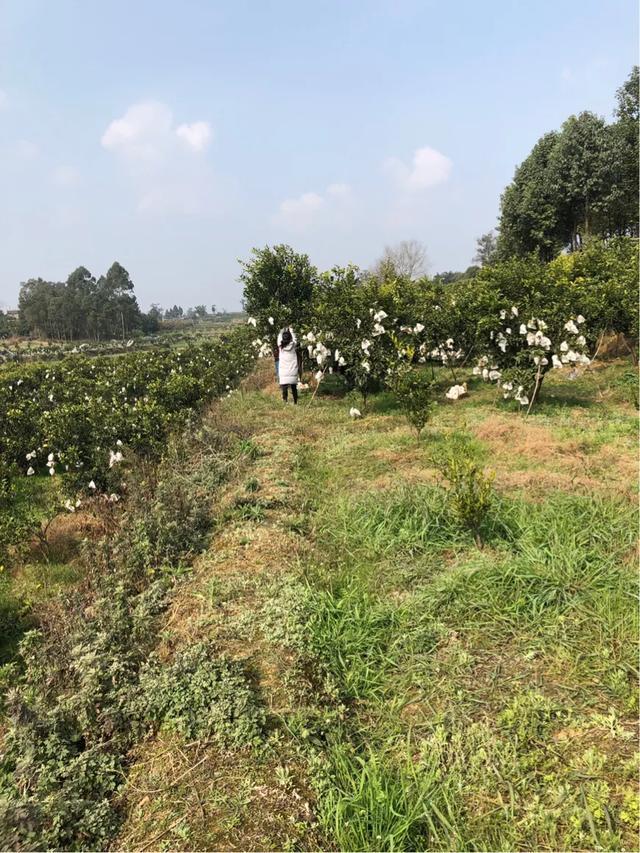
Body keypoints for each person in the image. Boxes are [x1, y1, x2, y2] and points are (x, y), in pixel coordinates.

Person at [277, 327, 299, 404]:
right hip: (293, 370)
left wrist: (281, 330)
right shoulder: (293, 345)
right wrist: (291, 330)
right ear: (290, 338)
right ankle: (295, 402)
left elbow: (279, 338)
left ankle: (285, 401)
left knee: (284, 387)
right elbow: (295, 339)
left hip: (284, 371)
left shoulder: (281, 347)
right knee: (294, 387)